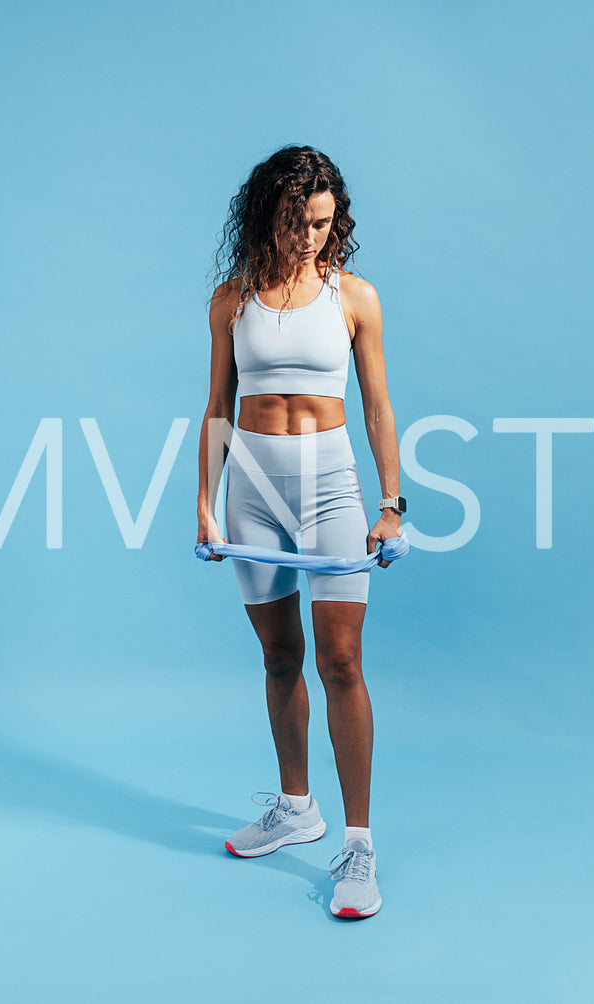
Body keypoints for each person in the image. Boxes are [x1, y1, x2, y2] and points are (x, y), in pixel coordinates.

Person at [195, 145, 405, 919]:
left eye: (322, 221)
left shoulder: (353, 298)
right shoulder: (231, 300)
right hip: (250, 486)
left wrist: (393, 503)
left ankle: (356, 845)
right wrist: (204, 503)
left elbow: (378, 406)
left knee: (340, 661)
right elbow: (217, 407)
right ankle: (296, 809)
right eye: (297, 221)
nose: (311, 236)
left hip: (328, 489)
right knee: (279, 655)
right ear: (268, 216)